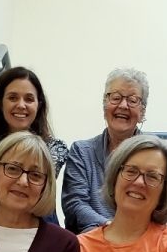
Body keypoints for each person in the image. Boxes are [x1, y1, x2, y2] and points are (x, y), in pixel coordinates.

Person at [0, 65, 67, 223]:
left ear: (39, 104)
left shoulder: (56, 147)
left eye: (29, 99)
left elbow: (37, 187)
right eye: (13, 98)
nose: (21, 105)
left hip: (37, 216)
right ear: (0, 102)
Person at [62, 67, 148, 233]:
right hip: (92, 234)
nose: (123, 105)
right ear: (104, 105)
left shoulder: (153, 157)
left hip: (137, 236)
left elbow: (158, 206)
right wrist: (110, 227)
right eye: (115, 98)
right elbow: (75, 204)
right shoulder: (81, 151)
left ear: (142, 111)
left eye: (132, 100)